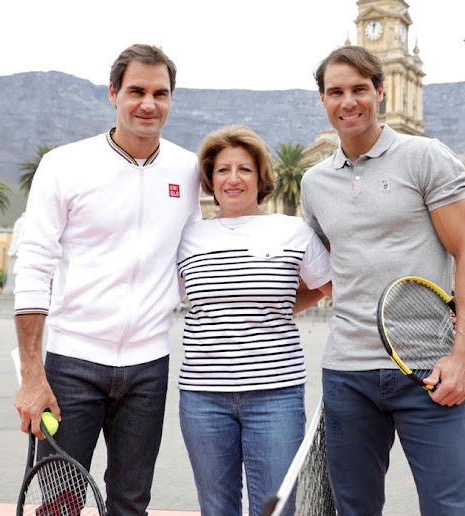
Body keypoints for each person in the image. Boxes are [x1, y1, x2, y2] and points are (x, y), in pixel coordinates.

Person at [12, 44, 201, 515]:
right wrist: (33, 377)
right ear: (113, 93)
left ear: (171, 100)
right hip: (71, 365)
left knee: (132, 501)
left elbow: (194, 261)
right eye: (136, 90)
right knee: (60, 504)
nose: (148, 103)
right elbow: (34, 265)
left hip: (149, 366)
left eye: (160, 93)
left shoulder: (189, 170)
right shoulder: (63, 164)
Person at [300, 46, 465, 515]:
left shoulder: (424, 157)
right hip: (347, 374)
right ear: (322, 100)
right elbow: (328, 267)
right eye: (336, 92)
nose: (348, 101)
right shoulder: (313, 184)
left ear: (379, 91)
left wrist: (463, 356)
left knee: (449, 508)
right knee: (353, 509)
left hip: (429, 369)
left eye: (359, 89)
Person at [176, 125, 332, 516]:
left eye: (244, 169)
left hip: (275, 397)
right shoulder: (186, 238)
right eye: (222, 170)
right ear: (210, 179)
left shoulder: (292, 231)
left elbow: (331, 288)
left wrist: (281, 304)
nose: (233, 179)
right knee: (217, 509)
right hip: (202, 399)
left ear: (261, 177)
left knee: (274, 510)